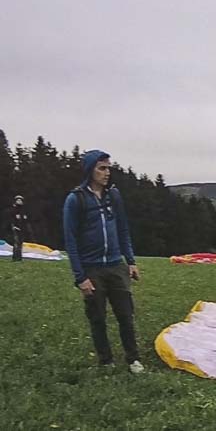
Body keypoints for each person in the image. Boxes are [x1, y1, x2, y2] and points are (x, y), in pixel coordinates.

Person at [62, 150, 144, 373]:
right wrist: (80, 277)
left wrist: (130, 261)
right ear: (90, 170)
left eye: (109, 168)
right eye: (102, 168)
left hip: (116, 266)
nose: (107, 173)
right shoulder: (75, 199)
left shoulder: (113, 196)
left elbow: (123, 229)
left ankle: (133, 359)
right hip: (92, 269)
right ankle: (106, 361)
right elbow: (70, 240)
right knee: (97, 317)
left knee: (126, 315)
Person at [10, 195, 28, 262]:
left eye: (20, 200)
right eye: (18, 200)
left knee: (20, 244)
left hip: (22, 228)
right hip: (16, 228)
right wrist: (14, 226)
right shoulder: (13, 209)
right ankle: (15, 258)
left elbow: (25, 219)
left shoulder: (23, 210)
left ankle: (19, 258)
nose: (19, 201)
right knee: (16, 243)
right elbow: (11, 218)